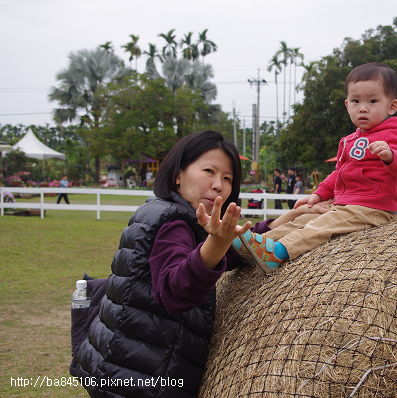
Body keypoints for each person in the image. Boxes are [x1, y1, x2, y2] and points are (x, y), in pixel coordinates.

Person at [72, 130, 330, 398]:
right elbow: (174, 292)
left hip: (122, 360)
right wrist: (215, 245)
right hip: (144, 376)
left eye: (227, 178)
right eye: (209, 170)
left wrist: (283, 221)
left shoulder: (164, 210)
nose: (219, 185)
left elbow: (228, 249)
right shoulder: (174, 224)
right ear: (177, 174)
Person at [234, 62, 397, 273]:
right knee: (305, 219)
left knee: (322, 225)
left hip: (374, 207)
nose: (363, 107)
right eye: (356, 101)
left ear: (391, 106)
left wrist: (391, 156)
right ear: (347, 105)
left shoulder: (394, 132)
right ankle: (258, 243)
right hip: (347, 204)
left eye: (373, 101)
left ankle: (279, 252)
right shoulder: (349, 140)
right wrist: (319, 194)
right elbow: (339, 173)